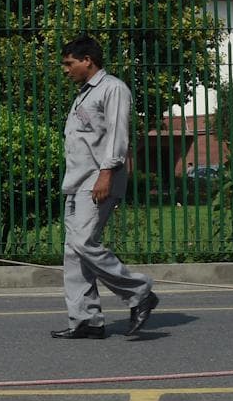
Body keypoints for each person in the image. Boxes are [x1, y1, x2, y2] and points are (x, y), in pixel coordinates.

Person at [51, 37, 159, 339]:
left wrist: (106, 173)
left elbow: (117, 134)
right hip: (77, 181)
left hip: (98, 180)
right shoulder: (84, 94)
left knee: (84, 242)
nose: (66, 70)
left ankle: (139, 292)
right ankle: (86, 319)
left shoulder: (113, 88)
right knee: (74, 252)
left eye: (69, 63)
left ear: (88, 60)